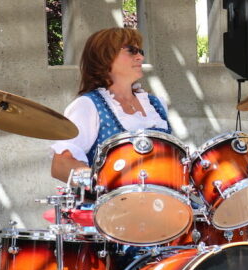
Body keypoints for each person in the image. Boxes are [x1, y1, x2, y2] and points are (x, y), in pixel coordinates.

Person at [51, 27, 171, 183]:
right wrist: (105, 183)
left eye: (141, 51)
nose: (140, 57)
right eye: (131, 50)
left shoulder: (156, 105)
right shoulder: (88, 106)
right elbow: (61, 165)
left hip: (163, 202)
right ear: (105, 57)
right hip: (112, 205)